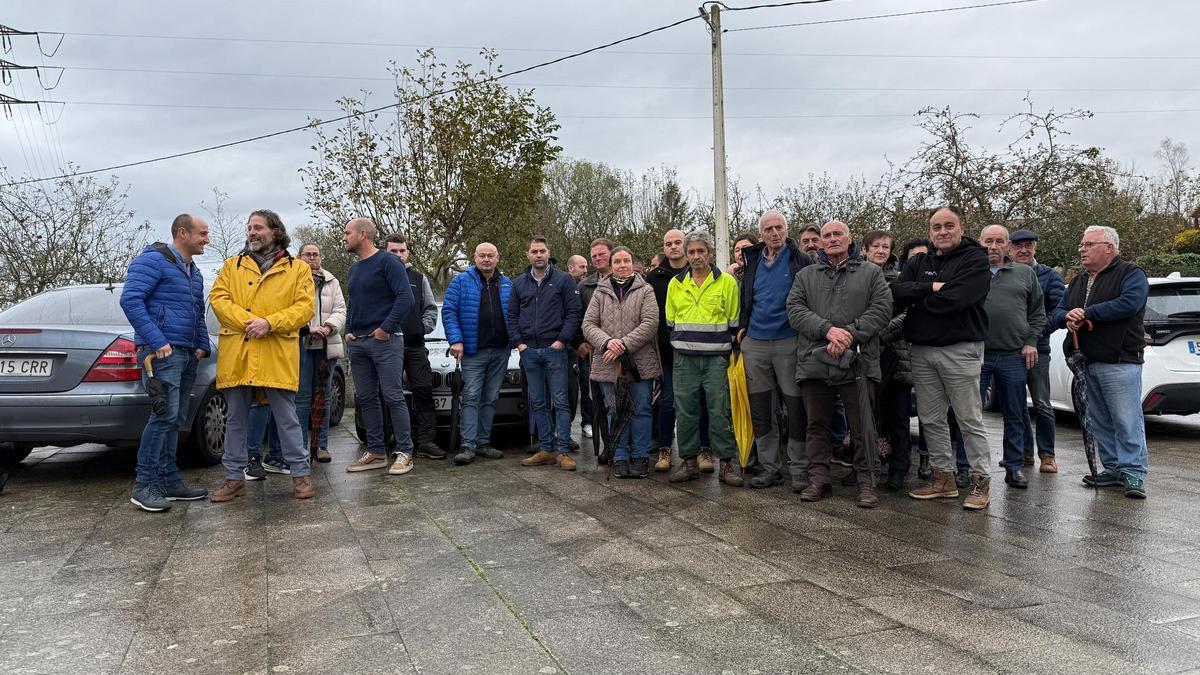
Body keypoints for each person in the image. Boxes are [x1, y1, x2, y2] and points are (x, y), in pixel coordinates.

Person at [209, 210, 316, 502]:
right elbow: (218, 300)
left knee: (287, 418)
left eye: (258, 227)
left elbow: (304, 308)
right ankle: (234, 478)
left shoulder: (298, 269)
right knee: (235, 419)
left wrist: (269, 323)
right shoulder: (232, 265)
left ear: (276, 231)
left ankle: (300, 474)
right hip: (239, 352)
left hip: (276, 352)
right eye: (249, 228)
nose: (252, 232)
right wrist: (250, 322)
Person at [893, 206, 993, 510]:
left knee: (968, 418)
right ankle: (942, 479)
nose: (943, 232)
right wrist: (931, 288)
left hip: (960, 349)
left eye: (949, 225)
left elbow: (957, 300)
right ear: (930, 231)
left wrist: (920, 300)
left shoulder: (975, 259)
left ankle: (980, 482)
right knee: (931, 418)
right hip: (922, 350)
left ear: (962, 227)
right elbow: (898, 291)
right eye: (936, 227)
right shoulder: (919, 261)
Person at [787, 220, 892, 508]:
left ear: (849, 239)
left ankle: (866, 481)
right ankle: (818, 479)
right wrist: (827, 330)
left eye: (838, 234)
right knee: (816, 425)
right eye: (827, 235)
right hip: (814, 361)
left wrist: (848, 334)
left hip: (858, 363)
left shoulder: (871, 273)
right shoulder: (805, 275)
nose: (832, 239)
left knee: (863, 426)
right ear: (821, 241)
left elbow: (882, 309)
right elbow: (795, 310)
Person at [119, 214, 212, 511]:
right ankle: (144, 485)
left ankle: (169, 481)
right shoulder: (152, 261)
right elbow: (130, 300)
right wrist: (157, 341)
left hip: (186, 354)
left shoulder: (194, 272)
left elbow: (198, 311)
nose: (207, 239)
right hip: (160, 353)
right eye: (202, 233)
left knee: (176, 419)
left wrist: (201, 345)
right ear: (182, 233)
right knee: (163, 417)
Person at [1049, 225, 1149, 499]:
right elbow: (1059, 310)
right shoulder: (1079, 280)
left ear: (1109, 248)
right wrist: (1067, 316)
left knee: (1126, 418)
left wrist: (1086, 313)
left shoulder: (1131, 273)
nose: (1082, 249)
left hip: (1120, 359)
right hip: (1086, 361)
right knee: (1099, 419)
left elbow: (1129, 304)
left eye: (1088, 244)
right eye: (1082, 245)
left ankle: (1133, 471)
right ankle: (1113, 468)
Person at [737, 211, 811, 491]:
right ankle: (770, 467)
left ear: (787, 230)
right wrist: (743, 327)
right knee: (761, 408)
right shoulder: (752, 259)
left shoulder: (800, 260)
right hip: (755, 341)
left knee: (796, 407)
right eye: (768, 229)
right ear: (761, 234)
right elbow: (746, 296)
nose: (774, 232)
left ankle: (800, 468)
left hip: (789, 340)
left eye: (779, 227)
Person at [665, 231, 743, 486]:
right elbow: (670, 321)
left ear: (710, 253)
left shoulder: (727, 283)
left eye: (701, 251)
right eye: (692, 252)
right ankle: (689, 463)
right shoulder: (675, 283)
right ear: (686, 255)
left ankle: (726, 464)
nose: (696, 256)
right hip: (684, 359)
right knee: (685, 411)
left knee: (720, 411)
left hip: (716, 359)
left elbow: (733, 320)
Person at [581, 246, 661, 478]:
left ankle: (640, 456)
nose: (622, 265)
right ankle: (619, 456)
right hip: (608, 363)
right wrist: (608, 343)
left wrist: (623, 345)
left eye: (626, 260)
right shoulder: (600, 292)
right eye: (617, 261)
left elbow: (650, 323)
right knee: (614, 410)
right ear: (612, 265)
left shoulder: (645, 290)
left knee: (641, 410)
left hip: (640, 363)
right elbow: (588, 324)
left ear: (633, 263)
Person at [979, 225, 1045, 490]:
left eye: (999, 241)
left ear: (1008, 245)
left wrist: (1031, 342)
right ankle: (966, 467)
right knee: (969, 414)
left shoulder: (1025, 273)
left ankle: (1014, 466)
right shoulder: (971, 272)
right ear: (980, 243)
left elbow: (1037, 312)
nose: (993, 246)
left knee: (1015, 413)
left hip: (1013, 355)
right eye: (988, 241)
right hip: (977, 355)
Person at [513, 237, 582, 471]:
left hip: (555, 350)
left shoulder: (564, 280)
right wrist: (519, 344)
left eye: (542, 251)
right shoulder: (519, 283)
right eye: (534, 251)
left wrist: (561, 341)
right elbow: (512, 315)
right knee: (539, 403)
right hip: (529, 352)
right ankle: (546, 448)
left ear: (548, 253)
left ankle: (563, 450)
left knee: (561, 401)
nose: (539, 255)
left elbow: (574, 312)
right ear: (528, 255)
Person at [443, 243, 512, 465]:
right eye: (482, 255)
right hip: (473, 352)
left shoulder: (507, 283)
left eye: (490, 255)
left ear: (497, 258)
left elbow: (515, 313)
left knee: (490, 398)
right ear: (474, 258)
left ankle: (483, 443)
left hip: (501, 350)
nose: (486, 259)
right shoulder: (461, 281)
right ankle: (468, 446)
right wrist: (456, 340)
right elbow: (449, 311)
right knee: (471, 396)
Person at [647, 228, 710, 471]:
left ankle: (704, 449)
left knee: (701, 401)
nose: (673, 247)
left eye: (677, 242)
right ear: (664, 248)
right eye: (668, 243)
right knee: (668, 401)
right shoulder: (653, 279)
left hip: (700, 351)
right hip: (668, 352)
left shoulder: (699, 273)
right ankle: (665, 448)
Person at [1009, 229, 1065, 473]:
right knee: (1016, 405)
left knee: (1041, 403)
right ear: (1010, 248)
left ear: (1035, 248)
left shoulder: (1049, 276)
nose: (1024, 250)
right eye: (1018, 246)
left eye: (1028, 245)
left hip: (1037, 350)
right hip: (1009, 350)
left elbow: (1059, 311)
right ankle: (1024, 454)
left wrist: (1035, 334)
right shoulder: (1004, 274)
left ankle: (1047, 455)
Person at [384, 234, 442, 459]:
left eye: (402, 250)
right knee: (390, 395)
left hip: (415, 346)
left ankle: (426, 441)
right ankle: (397, 439)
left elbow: (430, 308)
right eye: (393, 251)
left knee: (424, 390)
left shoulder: (419, 278)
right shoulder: (379, 276)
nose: (398, 255)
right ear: (385, 252)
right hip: (387, 346)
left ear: (407, 253)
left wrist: (420, 327)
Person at [864, 231, 914, 491]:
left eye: (885, 247)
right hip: (865, 355)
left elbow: (907, 313)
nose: (881, 251)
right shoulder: (857, 277)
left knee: (897, 416)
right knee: (867, 416)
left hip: (895, 356)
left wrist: (880, 335)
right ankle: (868, 464)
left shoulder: (901, 278)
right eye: (876, 246)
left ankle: (898, 467)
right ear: (865, 250)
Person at [295, 243, 346, 463]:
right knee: (302, 398)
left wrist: (328, 327)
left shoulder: (332, 281)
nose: (312, 258)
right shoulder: (292, 280)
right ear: (299, 257)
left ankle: (321, 446)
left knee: (323, 397)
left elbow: (340, 310)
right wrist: (308, 328)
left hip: (326, 346)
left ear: (321, 258)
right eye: (307, 254)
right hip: (301, 346)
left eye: (315, 254)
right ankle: (300, 448)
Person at [576, 239, 614, 442]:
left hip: (621, 348)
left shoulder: (630, 280)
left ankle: (618, 434)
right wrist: (578, 342)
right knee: (591, 391)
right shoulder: (584, 286)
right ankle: (591, 426)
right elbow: (576, 316)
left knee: (617, 396)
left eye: (602, 254)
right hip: (593, 350)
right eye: (594, 256)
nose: (598, 258)